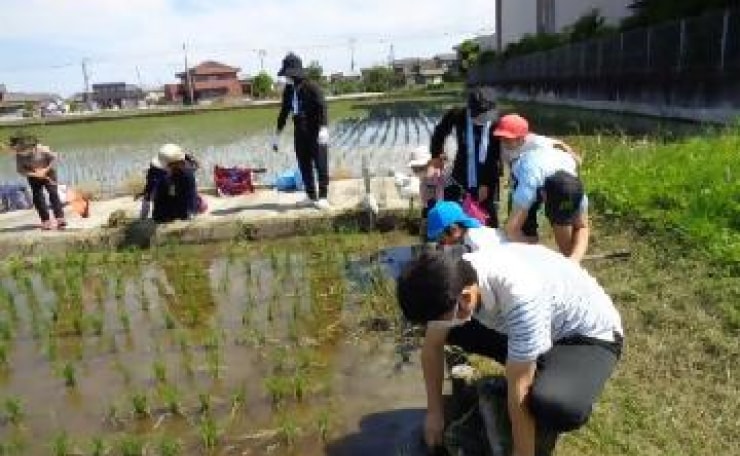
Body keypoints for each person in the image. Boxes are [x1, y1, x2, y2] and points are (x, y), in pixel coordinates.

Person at [396, 247, 624, 456]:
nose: (433, 325)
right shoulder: (449, 277)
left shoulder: (520, 296)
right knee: (446, 329)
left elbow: (519, 385)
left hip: (585, 336)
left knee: (557, 407)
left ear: (465, 298)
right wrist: (435, 413)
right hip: (537, 320)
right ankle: (535, 361)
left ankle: (552, 374)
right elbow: (431, 348)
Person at [494, 114, 589, 262]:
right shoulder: (529, 172)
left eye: (508, 138)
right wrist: (540, 255)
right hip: (533, 176)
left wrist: (573, 260)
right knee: (523, 226)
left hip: (536, 179)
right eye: (501, 137)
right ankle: (530, 253)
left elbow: (583, 227)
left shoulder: (537, 146)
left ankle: (570, 262)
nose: (503, 140)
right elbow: (512, 230)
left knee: (565, 224)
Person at [430, 86, 502, 227]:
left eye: (482, 115)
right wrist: (436, 155)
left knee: (487, 216)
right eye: (475, 114)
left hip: (487, 176)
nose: (478, 118)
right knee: (457, 214)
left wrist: (487, 183)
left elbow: (495, 157)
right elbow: (439, 132)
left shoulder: (496, 122)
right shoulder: (459, 115)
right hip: (462, 173)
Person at [273, 52, 331, 210]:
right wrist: (277, 134)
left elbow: (322, 107)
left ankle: (324, 196)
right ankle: (311, 195)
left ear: (295, 72)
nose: (286, 77)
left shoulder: (312, 87)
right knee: (304, 164)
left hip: (315, 131)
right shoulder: (289, 90)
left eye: (288, 73)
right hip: (300, 131)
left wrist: (324, 128)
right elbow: (284, 112)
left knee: (320, 164)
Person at [9, 132, 65, 230]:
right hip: (33, 176)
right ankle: (45, 221)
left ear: (31, 147)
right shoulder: (19, 155)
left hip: (49, 172)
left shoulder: (42, 149)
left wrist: (45, 170)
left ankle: (60, 218)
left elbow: (55, 159)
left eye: (23, 149)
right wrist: (35, 174)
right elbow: (21, 170)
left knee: (53, 193)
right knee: (38, 197)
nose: (22, 152)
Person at [149, 144, 199, 223]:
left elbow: (173, 194)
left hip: (180, 210)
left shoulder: (171, 178)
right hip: (187, 205)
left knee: (161, 200)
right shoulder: (188, 169)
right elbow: (196, 165)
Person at [426, 201, 505, 250]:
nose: (442, 245)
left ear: (454, 229)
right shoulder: (471, 235)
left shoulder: (474, 245)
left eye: (441, 240)